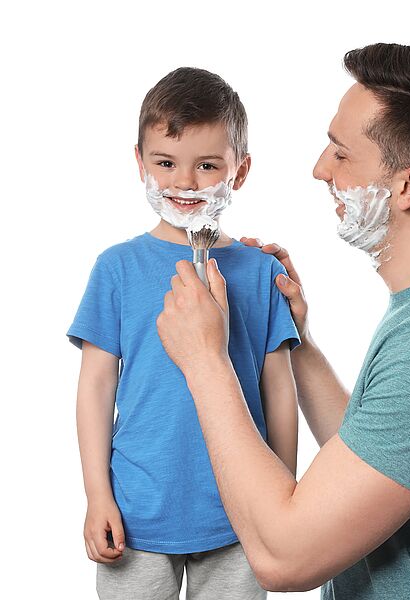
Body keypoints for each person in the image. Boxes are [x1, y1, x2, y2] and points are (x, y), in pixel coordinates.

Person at [157, 44, 410, 599]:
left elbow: (283, 558)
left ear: (409, 185)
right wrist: (301, 346)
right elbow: (379, 460)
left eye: (341, 155)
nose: (319, 169)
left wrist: (204, 359)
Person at [66, 67, 299, 600]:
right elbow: (96, 388)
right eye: (165, 162)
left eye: (207, 165)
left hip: (240, 516)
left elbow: (279, 390)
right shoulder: (117, 268)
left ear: (239, 171)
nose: (185, 182)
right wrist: (96, 495)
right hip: (138, 514)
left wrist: (283, 502)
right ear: (139, 163)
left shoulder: (261, 272)